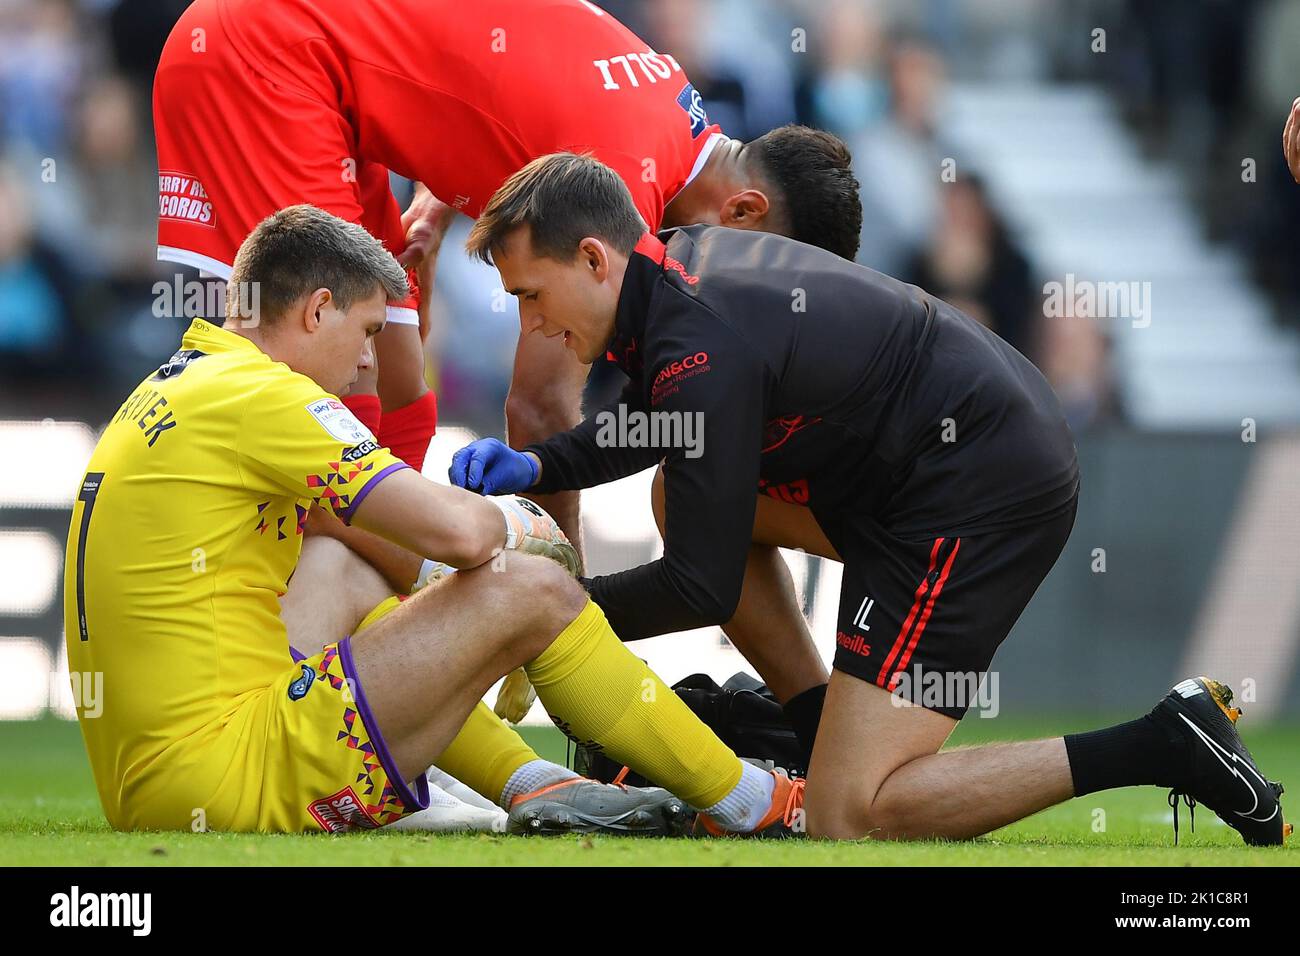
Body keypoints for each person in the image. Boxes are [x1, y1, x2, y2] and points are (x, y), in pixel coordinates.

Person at [450, 152, 1290, 845]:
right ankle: (819, 732)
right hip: (931, 468)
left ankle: (1161, 742)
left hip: (977, 493)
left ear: (596, 260)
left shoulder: (697, 344)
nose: (530, 325)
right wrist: (541, 466)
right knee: (682, 496)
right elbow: (672, 431)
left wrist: (544, 618)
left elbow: (699, 585)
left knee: (849, 817)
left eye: (531, 294)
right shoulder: (673, 278)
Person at [63, 205, 801, 836]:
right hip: (226, 778)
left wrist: (464, 600)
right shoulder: (267, 396)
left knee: (341, 564)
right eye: (364, 331)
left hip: (154, 785)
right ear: (316, 310)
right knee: (531, 588)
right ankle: (753, 799)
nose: (361, 364)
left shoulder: (182, 381)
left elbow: (392, 543)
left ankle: (526, 782)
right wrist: (526, 531)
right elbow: (462, 535)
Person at [152, 0, 861, 552]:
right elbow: (540, 410)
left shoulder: (666, 105)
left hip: (316, 74)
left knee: (401, 396)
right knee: (344, 401)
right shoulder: (618, 186)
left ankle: (380, 643)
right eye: (757, 271)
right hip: (268, 58)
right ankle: (324, 660)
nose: (740, 297)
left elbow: (488, 76)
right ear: (743, 210)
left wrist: (438, 193)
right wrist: (560, 612)